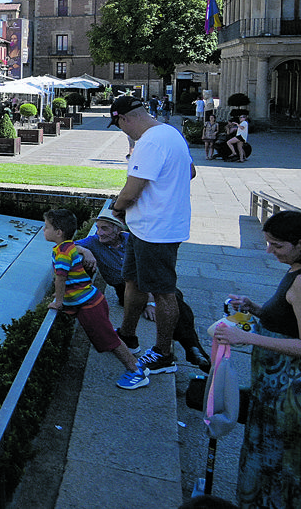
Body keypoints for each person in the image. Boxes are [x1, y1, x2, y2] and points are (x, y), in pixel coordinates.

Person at [212, 210, 301, 508]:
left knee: (282, 465)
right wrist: (255, 308)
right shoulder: (296, 270)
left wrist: (246, 337)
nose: (269, 251)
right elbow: (288, 320)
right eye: (268, 243)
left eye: (277, 245)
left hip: (292, 397)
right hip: (276, 391)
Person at [109, 95, 197, 383]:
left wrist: (117, 209)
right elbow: (191, 171)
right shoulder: (171, 133)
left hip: (157, 231)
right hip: (147, 227)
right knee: (132, 280)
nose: (123, 131)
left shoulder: (149, 141)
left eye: (119, 125)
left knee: (162, 292)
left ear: (125, 118)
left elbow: (131, 191)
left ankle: (163, 354)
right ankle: (128, 334)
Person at [76, 208, 211, 372]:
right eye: (98, 228)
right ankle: (192, 347)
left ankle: (192, 346)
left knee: (174, 294)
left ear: (119, 229)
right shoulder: (93, 242)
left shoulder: (130, 239)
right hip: (125, 288)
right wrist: (84, 251)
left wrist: (151, 301)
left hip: (145, 283)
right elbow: (66, 247)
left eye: (105, 228)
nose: (99, 233)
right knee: (170, 295)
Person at [43, 208, 147, 389]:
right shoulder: (67, 247)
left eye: (46, 227)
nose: (43, 230)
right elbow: (72, 276)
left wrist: (58, 302)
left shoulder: (62, 252)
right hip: (93, 299)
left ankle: (136, 370)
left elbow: (60, 278)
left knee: (110, 341)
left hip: (88, 306)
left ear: (58, 232)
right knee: (109, 336)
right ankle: (136, 366)